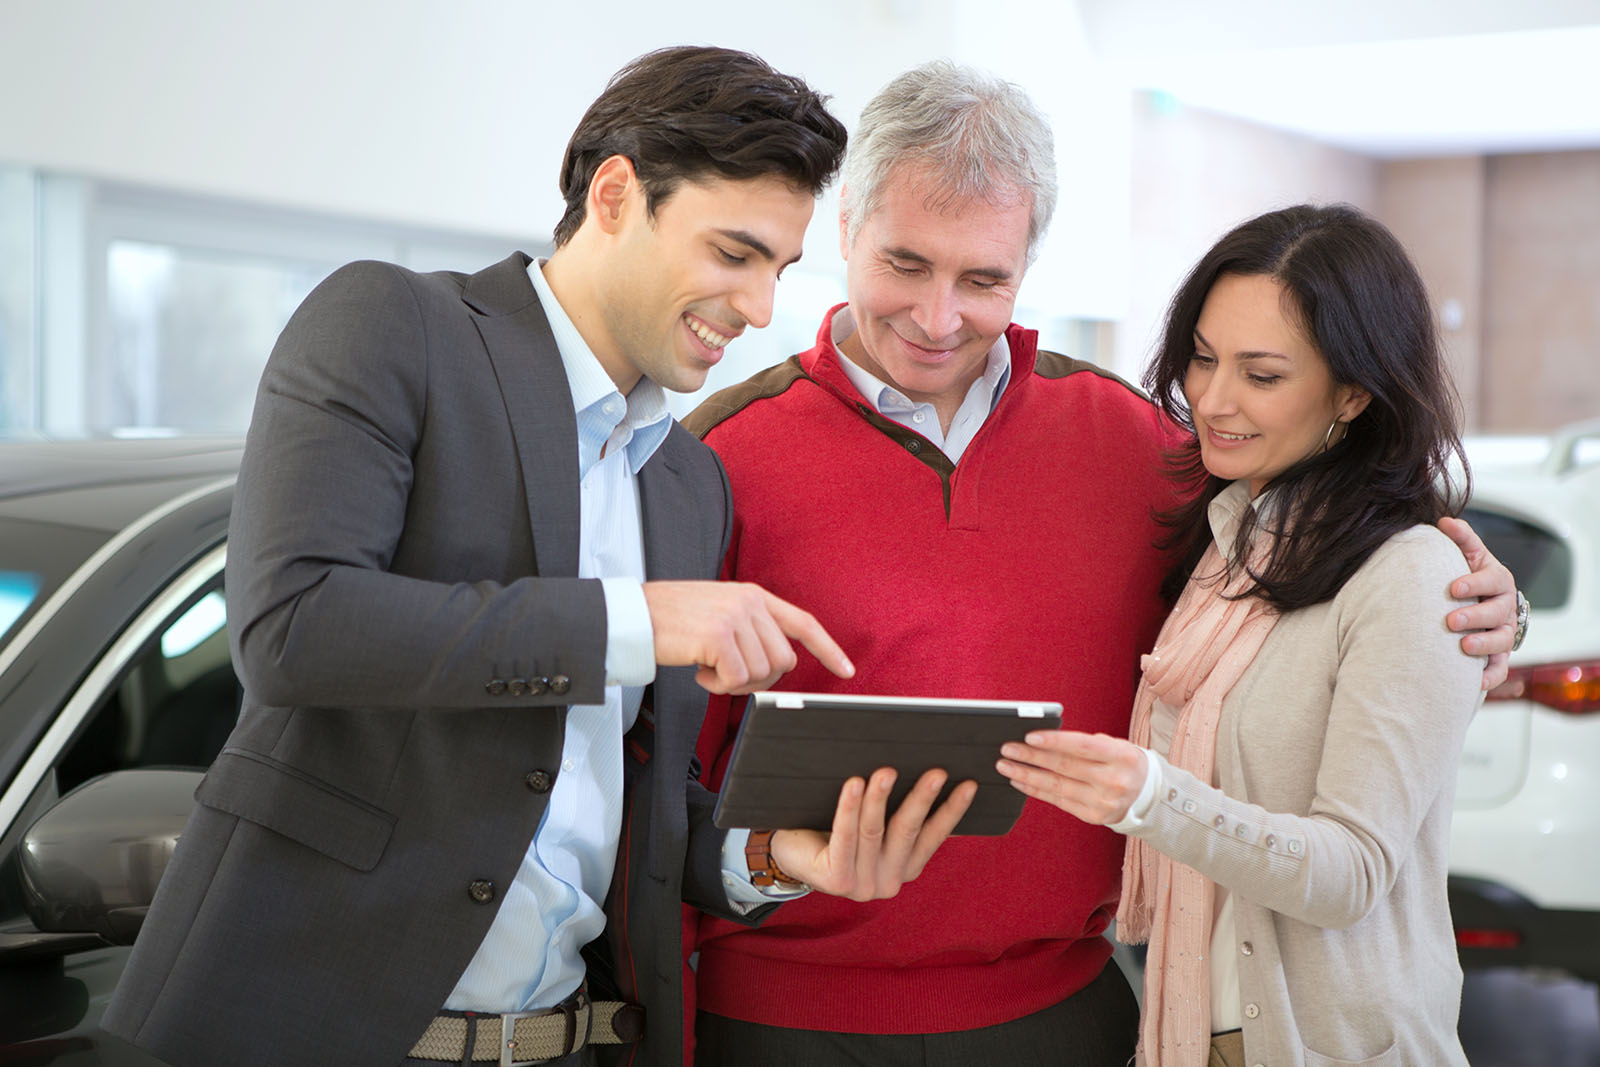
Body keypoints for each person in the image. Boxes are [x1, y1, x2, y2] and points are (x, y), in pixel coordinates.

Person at [103, 46, 974, 1067]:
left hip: (565, 1039)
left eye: (778, 270)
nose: (757, 308)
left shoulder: (687, 484)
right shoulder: (394, 326)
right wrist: (641, 620)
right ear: (614, 195)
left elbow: (623, 803)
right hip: (305, 1028)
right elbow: (293, 624)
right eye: (733, 253)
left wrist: (775, 855)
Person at [684, 63, 1520, 1067]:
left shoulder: (1143, 447)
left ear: (1029, 263)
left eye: (984, 279)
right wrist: (766, 864)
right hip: (784, 1020)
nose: (939, 316)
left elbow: (1312, 567)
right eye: (905, 263)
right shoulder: (717, 458)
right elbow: (649, 781)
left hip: (1066, 1011)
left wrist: (1483, 594)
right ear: (845, 224)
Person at [997, 203, 1484, 1066]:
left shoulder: (1408, 574)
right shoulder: (1225, 540)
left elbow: (1352, 874)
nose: (1213, 401)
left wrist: (1153, 797)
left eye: (1261, 375)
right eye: (1204, 358)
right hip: (1189, 1034)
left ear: (1354, 391)